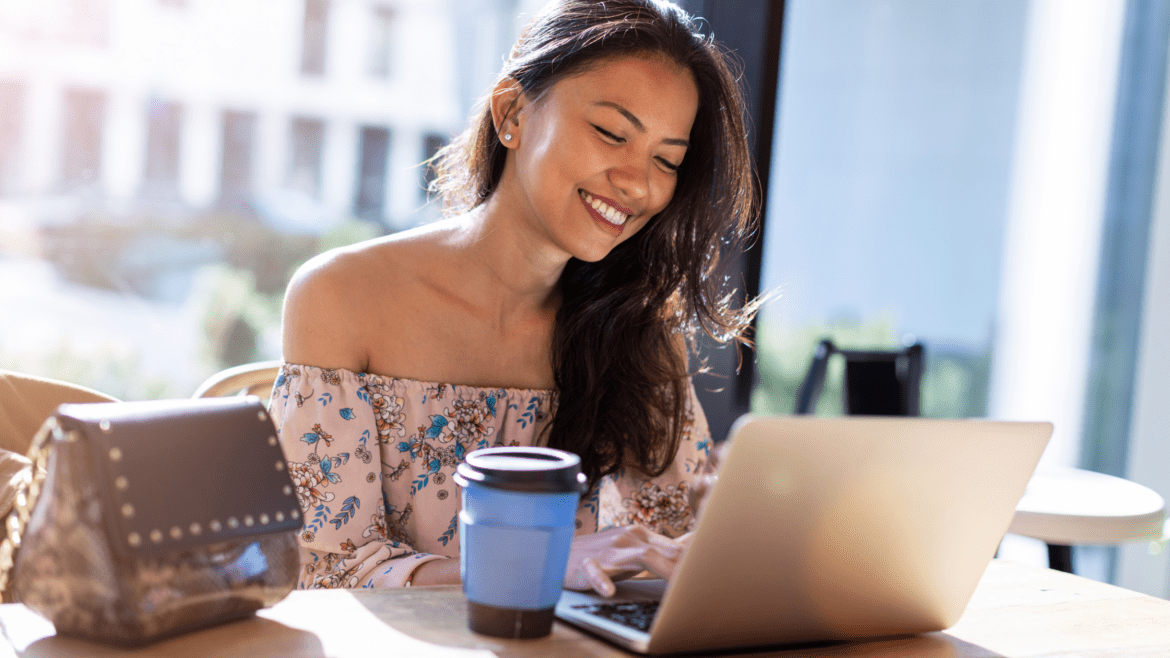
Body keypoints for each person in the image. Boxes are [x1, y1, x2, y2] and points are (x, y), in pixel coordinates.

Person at [271, 0, 761, 597]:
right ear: (512, 113)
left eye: (666, 160)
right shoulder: (341, 297)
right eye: (611, 133)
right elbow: (328, 571)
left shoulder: (639, 333)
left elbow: (671, 546)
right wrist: (546, 563)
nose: (637, 182)